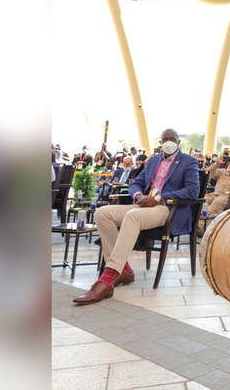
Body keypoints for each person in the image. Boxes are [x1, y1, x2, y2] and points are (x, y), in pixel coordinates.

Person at [73, 129, 200, 304]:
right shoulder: (153, 160)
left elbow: (193, 190)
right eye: (165, 139)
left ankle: (107, 279)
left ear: (178, 142)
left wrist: (156, 198)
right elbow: (136, 183)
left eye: (172, 139)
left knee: (133, 216)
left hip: (168, 208)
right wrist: (139, 196)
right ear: (160, 143)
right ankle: (123, 269)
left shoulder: (188, 161)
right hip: (143, 205)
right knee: (103, 213)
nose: (168, 142)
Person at [203, 153, 230, 218]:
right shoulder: (223, 171)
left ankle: (205, 221)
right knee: (203, 199)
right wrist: (217, 163)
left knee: (214, 205)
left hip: (226, 196)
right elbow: (210, 173)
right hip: (216, 193)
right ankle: (199, 218)